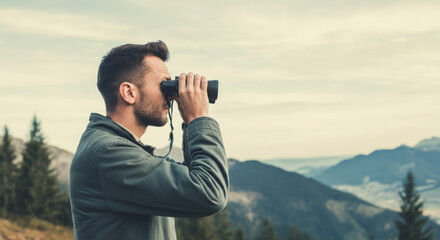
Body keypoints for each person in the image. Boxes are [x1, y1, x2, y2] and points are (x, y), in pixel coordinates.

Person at [69, 40, 229, 240]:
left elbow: (188, 179)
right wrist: (199, 119)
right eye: (164, 85)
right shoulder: (109, 153)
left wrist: (189, 122)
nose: (171, 96)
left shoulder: (119, 148)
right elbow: (208, 193)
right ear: (129, 93)